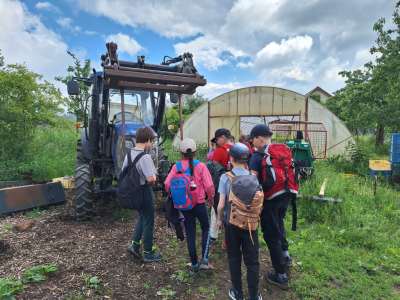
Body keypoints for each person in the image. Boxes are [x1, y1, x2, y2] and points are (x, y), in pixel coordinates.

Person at [246, 124, 292, 290]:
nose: (252, 144)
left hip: (269, 200)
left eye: (252, 141)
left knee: (271, 234)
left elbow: (252, 182)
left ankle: (280, 275)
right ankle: (286, 256)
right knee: (279, 223)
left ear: (260, 138)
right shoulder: (283, 150)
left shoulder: (258, 156)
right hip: (285, 196)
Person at [216, 143, 262, 300]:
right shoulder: (253, 177)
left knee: (234, 258)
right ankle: (254, 295)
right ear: (247, 160)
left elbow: (221, 205)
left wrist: (219, 221)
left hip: (232, 224)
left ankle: (238, 292)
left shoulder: (225, 177)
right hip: (251, 225)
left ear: (231, 158)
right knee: (252, 260)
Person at [165, 138, 215, 276]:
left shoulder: (177, 167)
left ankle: (194, 265)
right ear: (196, 151)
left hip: (185, 206)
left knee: (191, 232)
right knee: (206, 227)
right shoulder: (201, 166)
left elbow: (167, 184)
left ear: (181, 152)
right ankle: (205, 259)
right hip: (199, 203)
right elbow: (210, 186)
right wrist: (211, 199)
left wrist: (177, 196)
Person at [124, 126, 163, 263]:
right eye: (151, 141)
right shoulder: (145, 157)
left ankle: (134, 245)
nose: (151, 144)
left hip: (133, 192)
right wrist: (155, 177)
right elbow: (150, 179)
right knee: (148, 221)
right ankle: (148, 252)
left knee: (142, 216)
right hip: (144, 191)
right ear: (147, 140)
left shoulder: (128, 155)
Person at [207, 128, 233, 245]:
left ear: (223, 137)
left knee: (217, 210)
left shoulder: (218, 151)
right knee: (233, 212)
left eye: (217, 139)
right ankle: (229, 241)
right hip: (237, 186)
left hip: (221, 187)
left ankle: (213, 236)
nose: (217, 142)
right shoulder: (238, 149)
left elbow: (215, 171)